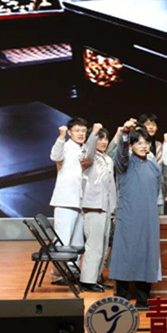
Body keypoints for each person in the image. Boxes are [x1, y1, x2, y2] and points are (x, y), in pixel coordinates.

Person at [108, 119, 162, 308]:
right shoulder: (125, 163)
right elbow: (121, 153)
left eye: (146, 142)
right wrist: (125, 134)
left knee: (146, 254)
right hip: (128, 216)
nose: (143, 146)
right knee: (125, 253)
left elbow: (155, 192)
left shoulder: (154, 166)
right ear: (131, 145)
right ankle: (123, 296)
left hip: (148, 217)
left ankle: (142, 298)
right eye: (138, 142)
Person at [49, 118, 100, 284]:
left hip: (80, 201)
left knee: (77, 241)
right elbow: (55, 156)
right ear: (70, 132)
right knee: (63, 239)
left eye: (83, 131)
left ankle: (72, 272)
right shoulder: (65, 146)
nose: (81, 134)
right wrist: (61, 137)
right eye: (77, 130)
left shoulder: (83, 149)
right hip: (65, 200)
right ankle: (58, 274)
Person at [79, 128, 117, 293]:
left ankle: (96, 278)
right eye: (100, 139)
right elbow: (87, 153)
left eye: (105, 139)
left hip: (106, 206)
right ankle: (87, 280)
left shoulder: (107, 159)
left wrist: (113, 207)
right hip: (93, 206)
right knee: (93, 245)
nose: (104, 142)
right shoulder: (88, 156)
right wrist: (93, 133)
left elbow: (111, 185)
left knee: (103, 245)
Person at [138, 113, 167, 215]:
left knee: (158, 218)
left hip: (158, 189)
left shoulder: (159, 146)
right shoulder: (134, 146)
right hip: (140, 188)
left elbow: (166, 169)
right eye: (147, 124)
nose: (151, 127)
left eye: (154, 125)